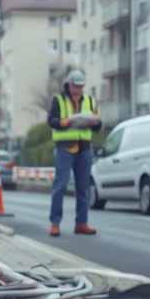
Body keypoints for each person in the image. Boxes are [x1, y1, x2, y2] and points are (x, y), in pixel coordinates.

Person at [46, 69, 102, 237]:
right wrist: (63, 122)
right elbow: (51, 121)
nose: (78, 90)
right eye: (75, 86)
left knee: (83, 187)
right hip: (65, 146)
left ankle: (81, 223)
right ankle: (55, 223)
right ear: (69, 85)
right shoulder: (59, 100)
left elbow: (98, 125)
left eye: (81, 86)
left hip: (84, 147)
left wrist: (95, 122)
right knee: (60, 186)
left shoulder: (90, 102)